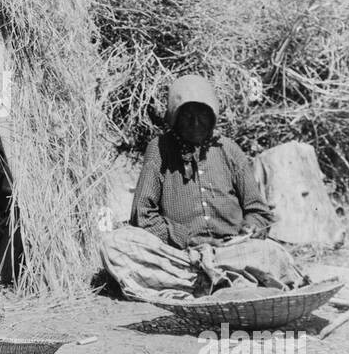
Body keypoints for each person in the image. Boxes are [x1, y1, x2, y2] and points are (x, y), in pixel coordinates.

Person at [100, 74, 301, 299]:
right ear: (174, 117)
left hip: (231, 252)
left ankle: (201, 282)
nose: (196, 124)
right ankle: (220, 282)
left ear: (213, 116)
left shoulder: (229, 149)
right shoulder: (159, 149)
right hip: (182, 257)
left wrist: (249, 228)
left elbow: (258, 211)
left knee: (272, 253)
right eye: (187, 116)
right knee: (115, 244)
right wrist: (185, 239)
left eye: (203, 115)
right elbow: (142, 214)